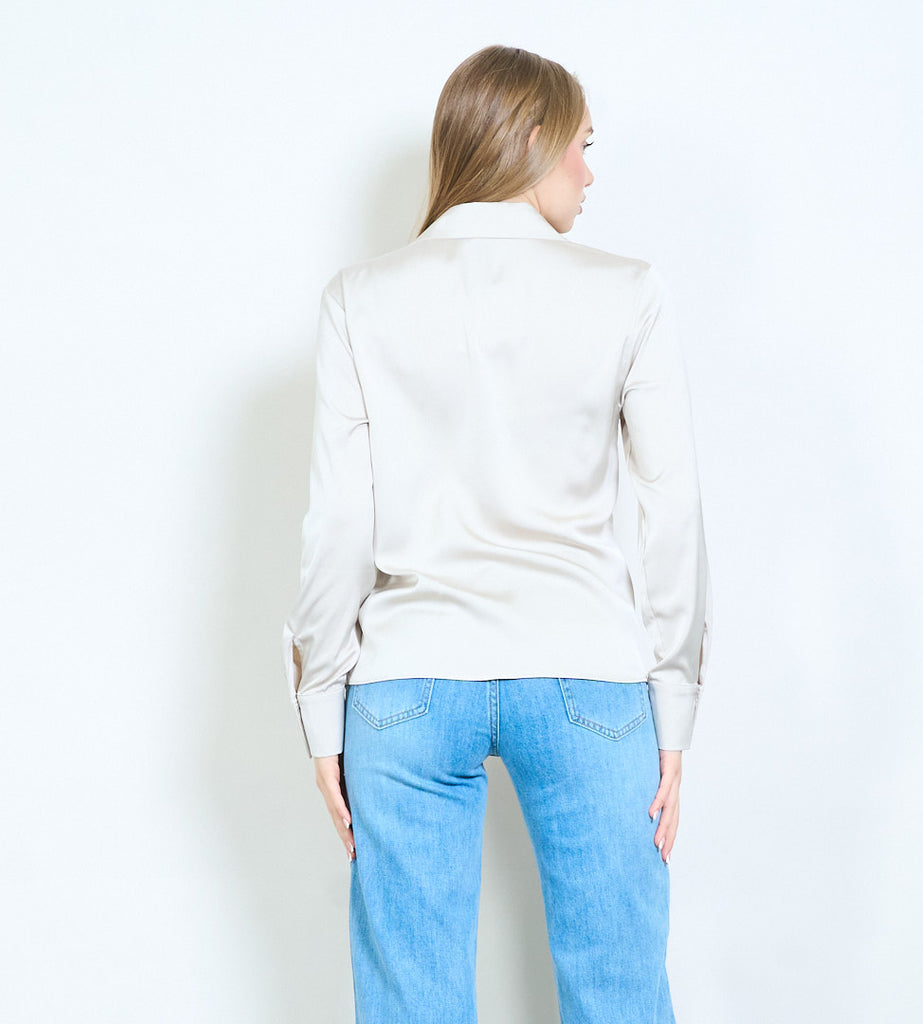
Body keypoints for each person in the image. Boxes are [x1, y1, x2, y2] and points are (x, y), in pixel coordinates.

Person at [282, 43, 713, 1024]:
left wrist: (320, 708)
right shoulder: (628, 292)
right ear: (533, 136)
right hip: (588, 675)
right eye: (582, 147)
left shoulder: (359, 298)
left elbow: (337, 523)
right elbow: (673, 512)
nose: (589, 175)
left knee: (410, 1004)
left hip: (405, 682)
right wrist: (674, 703)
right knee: (620, 997)